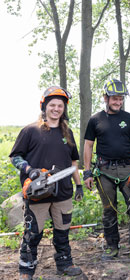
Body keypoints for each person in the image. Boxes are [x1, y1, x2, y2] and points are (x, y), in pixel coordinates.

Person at [9, 86, 83, 279]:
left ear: (63, 108)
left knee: (63, 231)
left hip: (63, 191)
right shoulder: (30, 131)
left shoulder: (68, 133)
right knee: (33, 233)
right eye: (52, 105)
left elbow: (73, 162)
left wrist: (79, 185)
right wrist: (29, 170)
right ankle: (26, 270)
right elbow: (15, 156)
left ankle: (64, 264)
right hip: (38, 192)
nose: (56, 109)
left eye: (60, 105)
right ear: (45, 106)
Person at [83, 78, 130, 263]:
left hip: (128, 170)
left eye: (121, 99)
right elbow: (88, 146)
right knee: (108, 211)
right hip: (104, 171)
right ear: (105, 98)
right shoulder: (95, 120)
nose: (118, 102)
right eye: (114, 98)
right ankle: (112, 248)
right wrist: (87, 172)